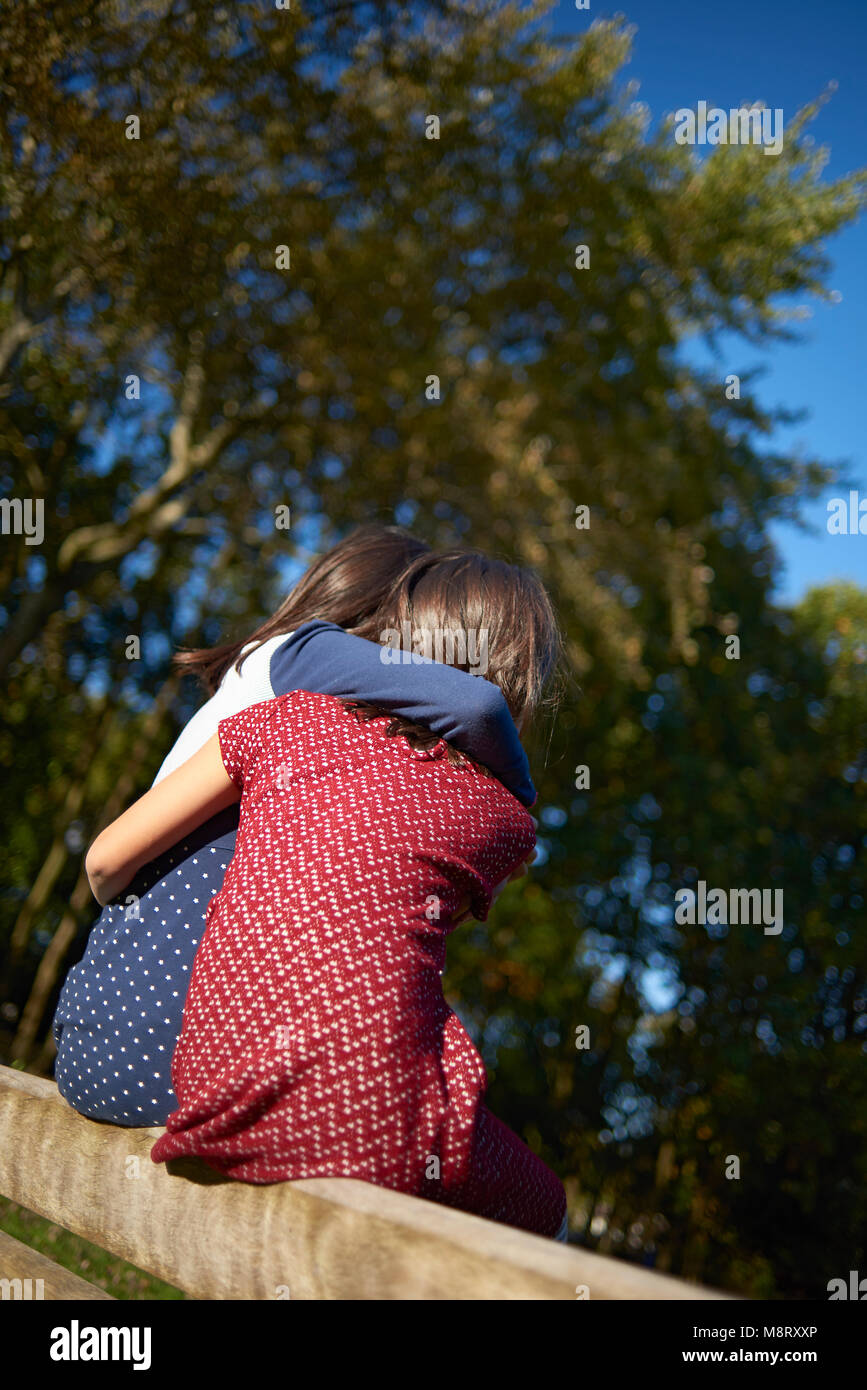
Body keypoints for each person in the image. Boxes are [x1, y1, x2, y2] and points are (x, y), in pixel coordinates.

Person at [84, 550, 568, 1240]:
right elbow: (477, 702)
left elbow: (105, 861)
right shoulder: (299, 665)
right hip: (198, 1071)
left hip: (114, 1031)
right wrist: (519, 801)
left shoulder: (278, 718)